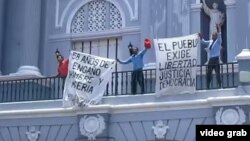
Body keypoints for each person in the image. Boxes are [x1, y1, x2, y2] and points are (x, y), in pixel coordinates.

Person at [199, 24, 222, 89]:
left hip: (216, 59)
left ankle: (219, 85)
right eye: (212, 35)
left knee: (217, 73)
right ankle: (208, 85)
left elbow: (219, 35)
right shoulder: (210, 41)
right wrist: (201, 37)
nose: (212, 36)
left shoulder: (218, 41)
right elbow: (203, 42)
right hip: (211, 59)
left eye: (213, 35)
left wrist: (218, 30)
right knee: (209, 73)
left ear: (216, 36)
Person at [202, 0, 225, 64]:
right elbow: (206, 9)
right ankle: (209, 59)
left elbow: (221, 21)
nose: (214, 6)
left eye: (215, 5)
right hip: (212, 25)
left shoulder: (219, 12)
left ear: (217, 6)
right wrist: (204, 2)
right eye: (214, 5)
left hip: (217, 26)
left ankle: (219, 59)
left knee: (218, 39)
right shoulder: (211, 11)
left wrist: (222, 19)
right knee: (211, 39)